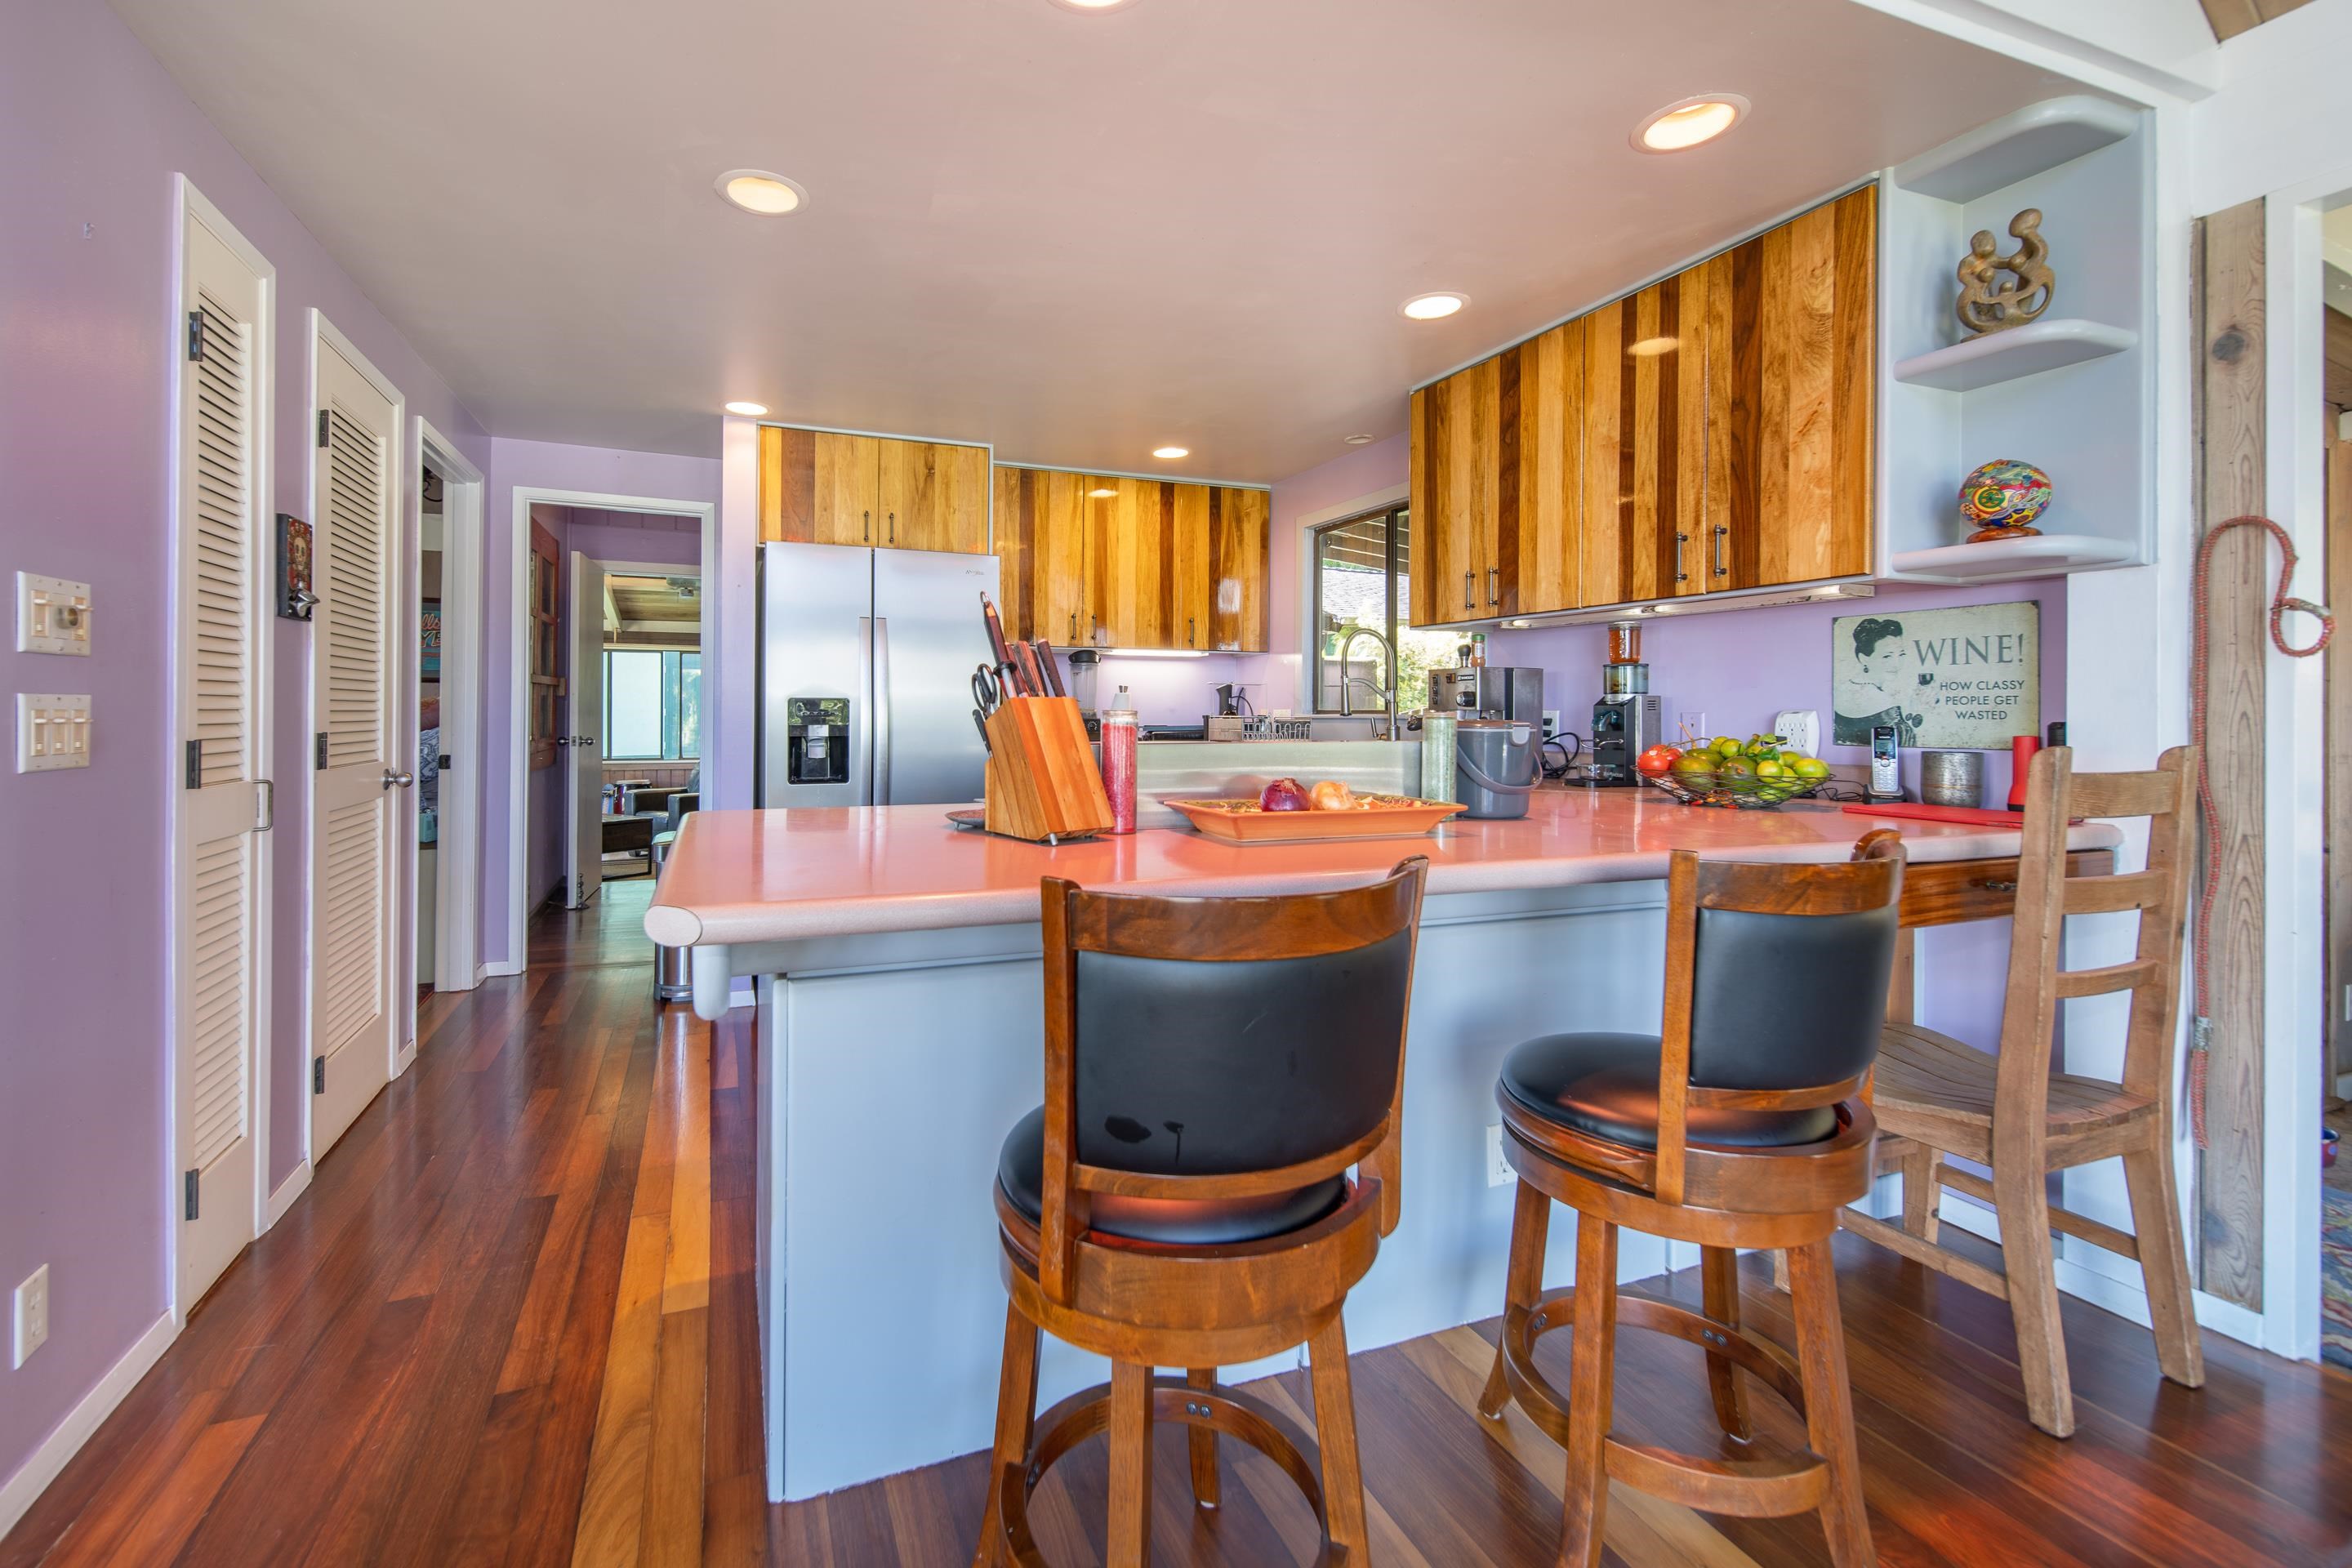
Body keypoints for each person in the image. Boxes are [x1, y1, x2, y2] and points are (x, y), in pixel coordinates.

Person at [1833, 617, 1923, 746]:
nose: (1896, 664)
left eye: (1901, 654)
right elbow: (1905, 745)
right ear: (1864, 659)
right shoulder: (1886, 702)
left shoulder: (1841, 690)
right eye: (1887, 656)